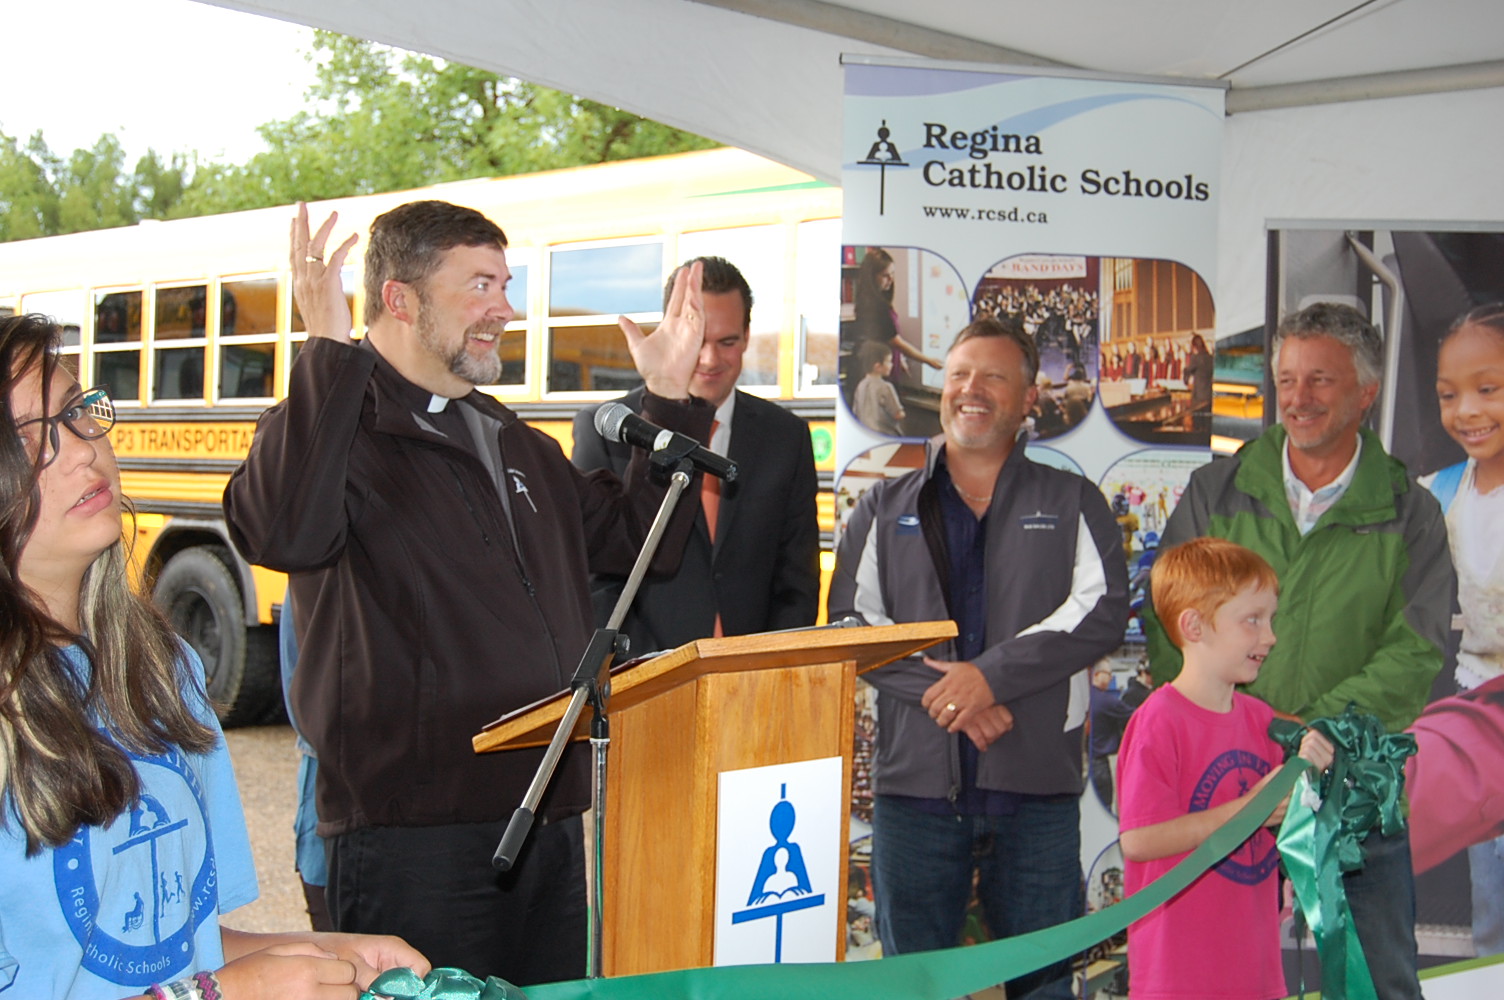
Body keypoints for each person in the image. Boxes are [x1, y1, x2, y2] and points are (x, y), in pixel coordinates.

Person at [222, 202, 712, 984]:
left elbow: (637, 541)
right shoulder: (336, 429)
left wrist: (667, 395)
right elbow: (281, 533)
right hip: (412, 839)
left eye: (506, 284)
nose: (505, 309)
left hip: (544, 819)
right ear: (400, 299)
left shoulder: (509, 438)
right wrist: (323, 350)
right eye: (480, 285)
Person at [0, 314, 427, 1000]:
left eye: (78, 411)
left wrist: (319, 952)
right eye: (26, 438)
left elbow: (167, 947)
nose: (82, 449)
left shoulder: (165, 670)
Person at [1146, 301, 1455, 999]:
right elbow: (1172, 618)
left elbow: (1416, 650)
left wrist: (1312, 735)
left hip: (1353, 783)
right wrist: (1233, 733)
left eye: (1320, 380)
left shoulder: (1410, 510)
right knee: (1213, 976)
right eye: (1286, 379)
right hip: (1224, 781)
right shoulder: (1217, 489)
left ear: (1367, 394)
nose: (1297, 398)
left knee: (1377, 980)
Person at [828, 316, 1129, 998]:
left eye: (995, 377)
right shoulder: (883, 504)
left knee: (1044, 987)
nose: (972, 390)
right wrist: (958, 701)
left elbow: (1102, 609)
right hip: (915, 797)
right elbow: (851, 626)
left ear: (1028, 399)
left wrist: (988, 680)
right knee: (915, 988)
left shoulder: (1071, 499)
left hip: (1036, 798)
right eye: (960, 375)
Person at [571, 255, 819, 653]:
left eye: (727, 342)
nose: (709, 359)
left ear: (748, 336)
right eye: (697, 339)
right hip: (646, 677)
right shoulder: (609, 430)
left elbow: (798, 581)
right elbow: (594, 579)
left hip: (751, 677)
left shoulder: (785, 436)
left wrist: (770, 663)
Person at [1121, 537, 1333, 1000]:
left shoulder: (1263, 722)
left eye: (1270, 619)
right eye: (1252, 620)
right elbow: (1139, 840)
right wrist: (1252, 807)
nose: (1270, 636)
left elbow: (1292, 830)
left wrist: (1313, 779)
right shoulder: (1159, 720)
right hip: (1178, 975)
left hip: (1256, 970)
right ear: (1194, 626)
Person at [1413, 302, 1504, 953]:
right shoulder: (1440, 493)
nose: (1466, 410)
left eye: (1488, 389)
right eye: (1450, 395)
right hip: (1480, 715)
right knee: (1492, 892)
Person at [851, 248, 942, 376]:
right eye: (885, 275)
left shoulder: (872, 301)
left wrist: (900, 359)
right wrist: (928, 360)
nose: (891, 279)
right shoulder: (877, 306)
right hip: (878, 367)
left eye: (892, 274)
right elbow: (895, 341)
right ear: (871, 277)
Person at [851, 338, 906, 436]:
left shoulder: (860, 385)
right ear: (878, 366)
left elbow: (855, 411)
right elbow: (897, 414)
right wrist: (903, 414)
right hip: (885, 435)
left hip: (865, 434)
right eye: (889, 362)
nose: (892, 365)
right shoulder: (885, 387)